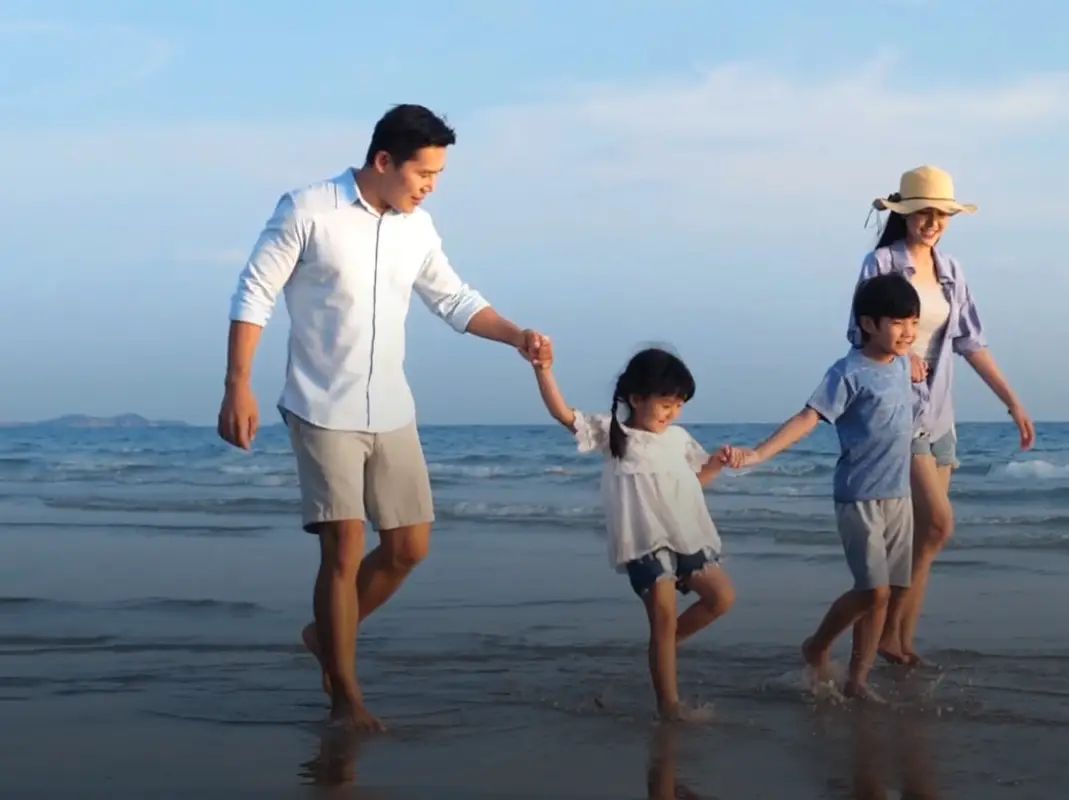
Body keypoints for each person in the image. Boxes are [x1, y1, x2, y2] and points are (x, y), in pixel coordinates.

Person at [217, 104, 548, 732]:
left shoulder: (417, 230)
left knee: (408, 548)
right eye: (424, 174)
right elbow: (254, 291)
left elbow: (454, 299)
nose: (431, 187)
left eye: (439, 176)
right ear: (384, 161)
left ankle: (327, 635)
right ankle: (346, 695)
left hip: (392, 407)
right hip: (320, 405)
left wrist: (515, 335)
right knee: (343, 546)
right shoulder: (309, 208)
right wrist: (239, 385)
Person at [851, 165, 1035, 668]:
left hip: (940, 411)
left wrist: (1011, 400)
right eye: (923, 212)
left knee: (924, 535)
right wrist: (895, 354)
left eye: (941, 214)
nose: (932, 221)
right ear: (906, 213)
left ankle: (900, 640)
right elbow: (857, 334)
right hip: (895, 412)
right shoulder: (881, 263)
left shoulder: (952, 270)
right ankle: (883, 631)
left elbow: (971, 342)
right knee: (938, 525)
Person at [727, 272, 921, 701]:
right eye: (897, 322)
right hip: (859, 496)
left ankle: (858, 679)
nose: (908, 332)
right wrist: (760, 454)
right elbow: (808, 417)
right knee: (874, 590)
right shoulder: (847, 372)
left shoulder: (906, 363)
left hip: (899, 497)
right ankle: (817, 645)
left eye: (913, 322)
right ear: (868, 324)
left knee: (890, 593)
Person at [529, 345, 737, 722]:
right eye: (666, 403)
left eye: (679, 404)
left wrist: (717, 465)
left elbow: (694, 482)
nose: (673, 412)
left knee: (721, 598)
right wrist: (544, 371)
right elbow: (563, 413)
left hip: (686, 534)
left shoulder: (679, 439)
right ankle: (669, 707)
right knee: (661, 614)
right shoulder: (614, 434)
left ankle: (665, 648)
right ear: (636, 398)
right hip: (644, 540)